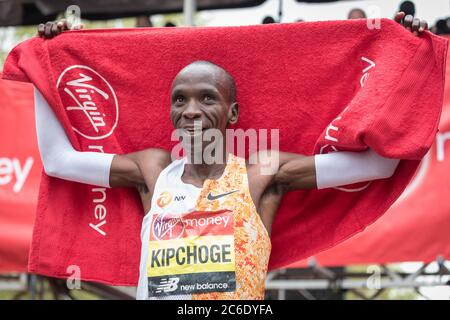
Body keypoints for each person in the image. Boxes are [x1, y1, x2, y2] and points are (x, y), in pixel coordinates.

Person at [35, 13, 428, 300]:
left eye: (207, 97)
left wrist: (403, 58)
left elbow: (379, 164)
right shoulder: (152, 170)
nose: (190, 110)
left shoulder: (262, 173)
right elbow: (58, 161)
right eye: (179, 100)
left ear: (233, 114)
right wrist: (46, 60)